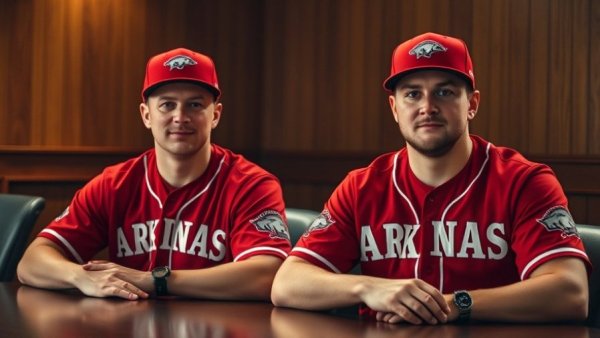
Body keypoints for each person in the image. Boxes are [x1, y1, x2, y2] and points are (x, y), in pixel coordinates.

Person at [271, 32, 590, 324]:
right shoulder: (361, 187)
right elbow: (287, 283)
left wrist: (457, 304)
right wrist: (368, 288)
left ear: (472, 104)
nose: (427, 107)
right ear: (395, 108)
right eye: (412, 94)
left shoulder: (525, 181)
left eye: (445, 92)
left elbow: (571, 292)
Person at [17, 48, 291, 301]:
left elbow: (267, 275)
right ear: (146, 115)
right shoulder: (115, 184)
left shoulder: (251, 184)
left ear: (215, 115)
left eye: (195, 105)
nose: (180, 116)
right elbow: (32, 262)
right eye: (167, 105)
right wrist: (80, 276)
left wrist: (155, 280)